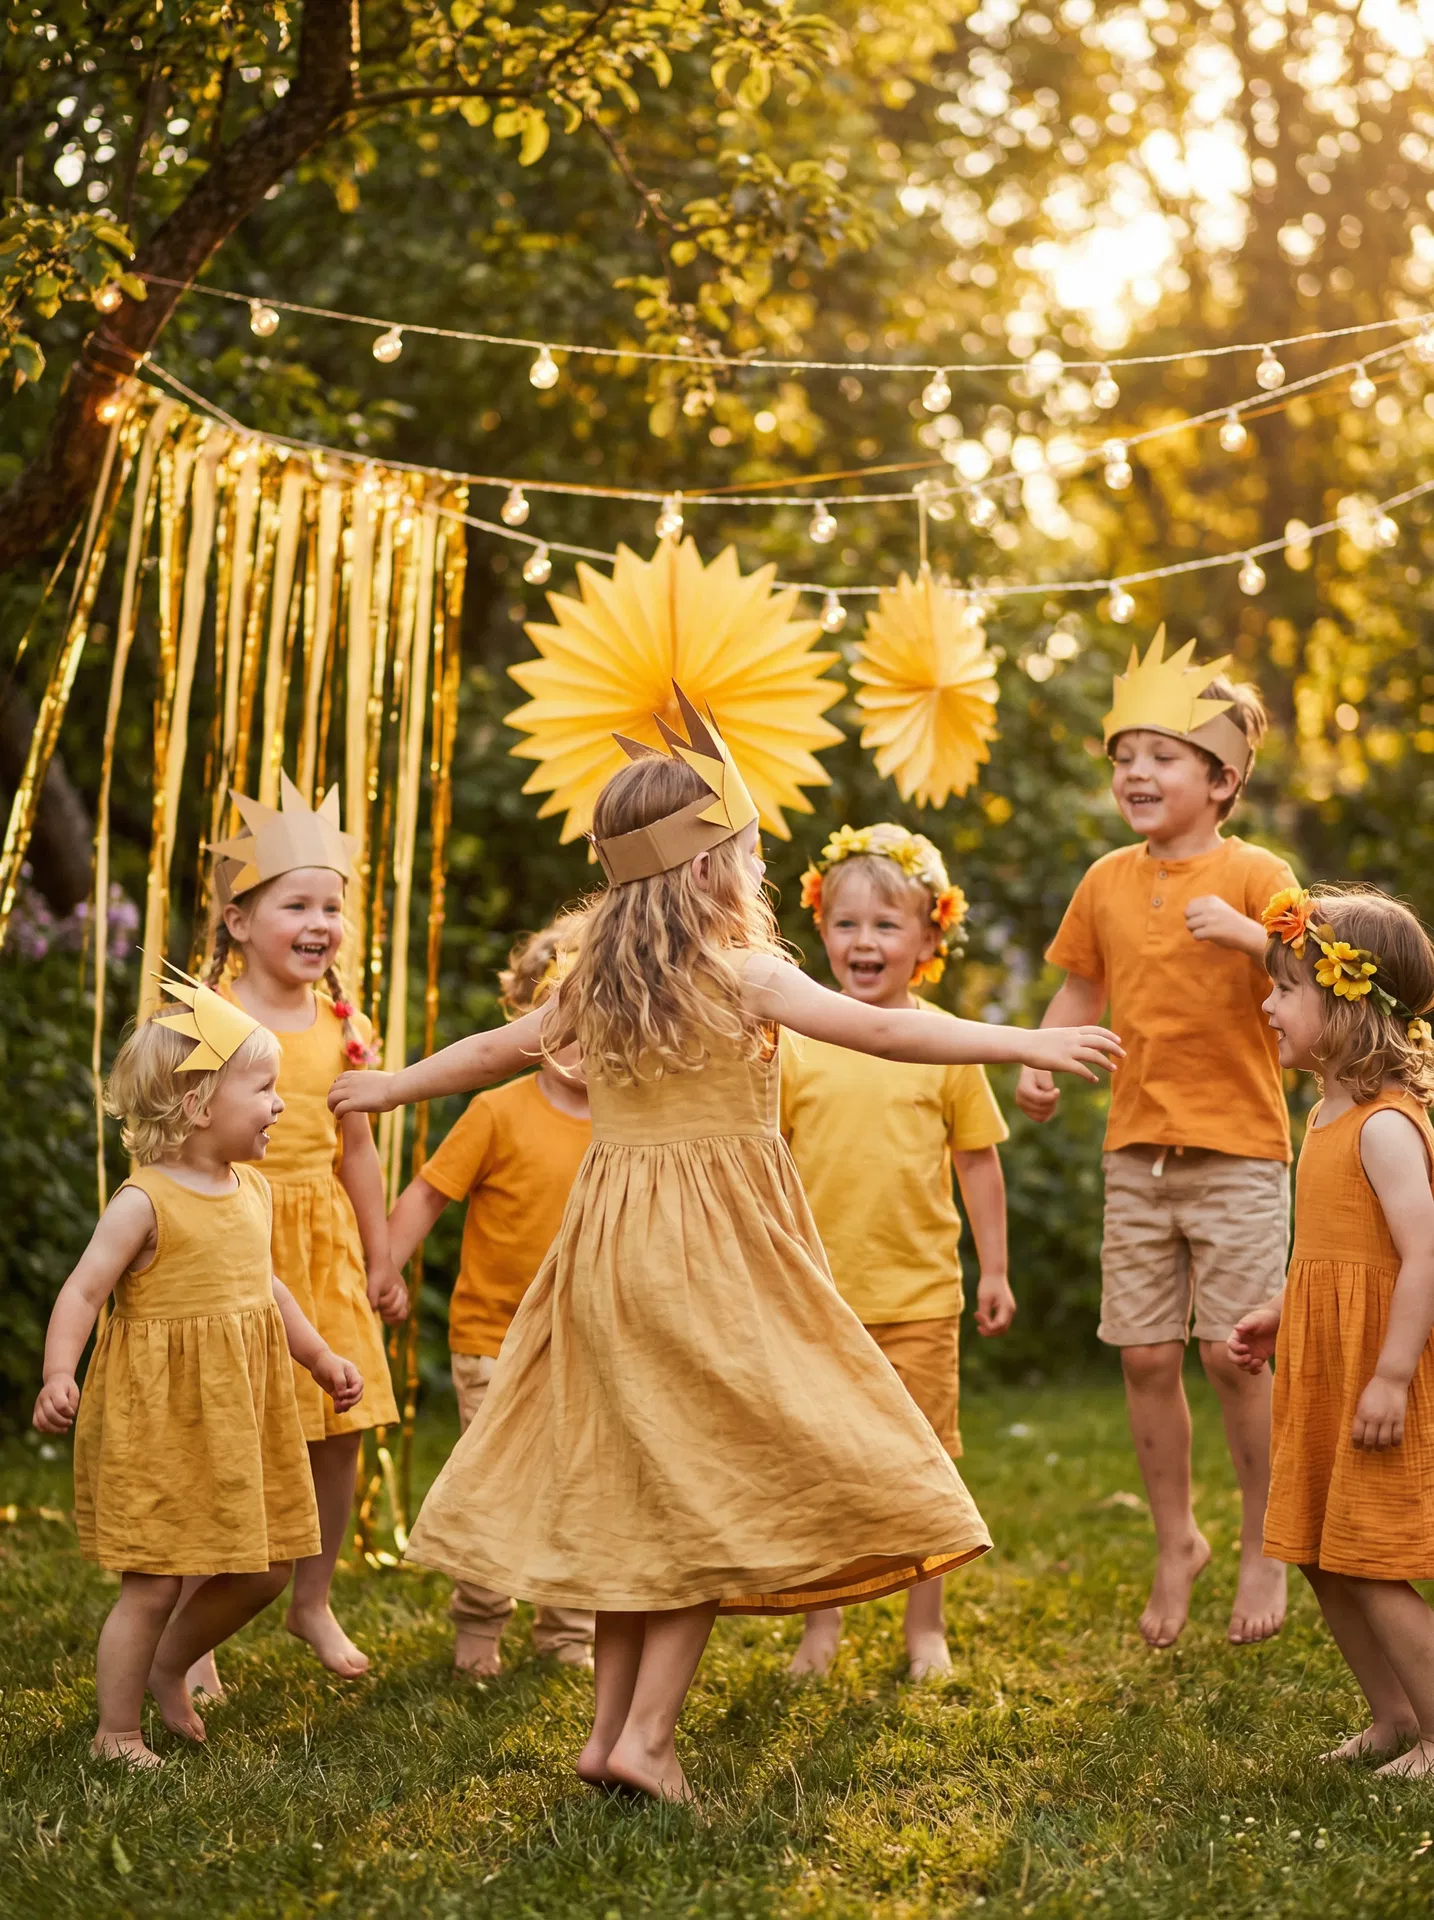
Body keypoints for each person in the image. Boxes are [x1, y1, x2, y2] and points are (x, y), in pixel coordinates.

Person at [332, 689, 1121, 1801]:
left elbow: (492, 1049)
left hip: (607, 1256)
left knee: (639, 1491)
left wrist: (387, 1087)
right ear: (711, 868)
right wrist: (1022, 1039)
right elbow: (884, 1030)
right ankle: (649, 1739)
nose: (758, 871)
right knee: (712, 1484)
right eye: (750, 852)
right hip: (712, 1256)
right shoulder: (741, 972)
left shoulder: (600, 981)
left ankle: (608, 1736)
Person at [1015, 629, 1296, 1650]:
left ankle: (1263, 1539)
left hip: (1241, 1154)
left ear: (1221, 780)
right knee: (1141, 1354)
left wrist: (1253, 937)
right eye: (1124, 756)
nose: (1135, 772)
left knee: (1234, 1356)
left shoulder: (1259, 872)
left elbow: (1324, 981)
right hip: (1136, 1151)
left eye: (1161, 756)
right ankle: (1177, 1539)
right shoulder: (1104, 880)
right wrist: (1038, 1054)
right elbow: (1080, 987)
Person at [32, 974, 363, 1767]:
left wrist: (318, 1356)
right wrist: (57, 1373)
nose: (280, 1104)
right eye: (264, 1090)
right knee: (151, 1584)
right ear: (197, 1106)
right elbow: (83, 1291)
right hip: (163, 1419)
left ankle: (169, 1662)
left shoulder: (252, 1189)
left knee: (268, 1567)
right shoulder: (142, 1202)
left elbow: (266, 1287)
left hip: (239, 1413)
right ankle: (116, 1731)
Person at [781, 823, 1012, 1681]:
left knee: (924, 1465)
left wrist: (995, 1269)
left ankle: (926, 1627)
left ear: (928, 939)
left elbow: (977, 1163)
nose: (864, 941)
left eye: (885, 924)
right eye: (846, 924)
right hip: (818, 1300)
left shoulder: (950, 1044)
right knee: (822, 1466)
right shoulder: (797, 1039)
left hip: (919, 1299)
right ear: (822, 932)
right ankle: (822, 1624)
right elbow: (767, 1160)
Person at [202, 773, 405, 1682]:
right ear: (239, 921)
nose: (321, 922)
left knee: (340, 1423)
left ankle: (312, 1600)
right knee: (229, 1429)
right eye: (298, 905)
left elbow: (357, 1150)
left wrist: (380, 1253)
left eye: (332, 906)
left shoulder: (342, 1024)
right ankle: (195, 1621)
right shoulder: (209, 1017)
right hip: (235, 1239)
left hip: (322, 1245)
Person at [1230, 886, 1434, 1777]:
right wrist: (1283, 1311)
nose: (1268, 1005)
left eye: (1286, 989)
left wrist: (1391, 1376)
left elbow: (1423, 1256)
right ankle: (1394, 1716)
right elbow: (1334, 1248)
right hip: (1324, 1364)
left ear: (1348, 1006)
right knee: (1319, 1550)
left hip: (1375, 1370)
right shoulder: (1323, 1114)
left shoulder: (1385, 1128)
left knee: (1371, 1557)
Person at [387, 916, 595, 1675]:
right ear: (528, 1024)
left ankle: (568, 1630)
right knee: (497, 1484)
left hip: (589, 1342)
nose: (579, 1041)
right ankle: (479, 1623)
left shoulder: (629, 1123)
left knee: (580, 1486)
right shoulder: (497, 1111)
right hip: (492, 1340)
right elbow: (427, 1193)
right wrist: (384, 1269)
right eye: (562, 1021)